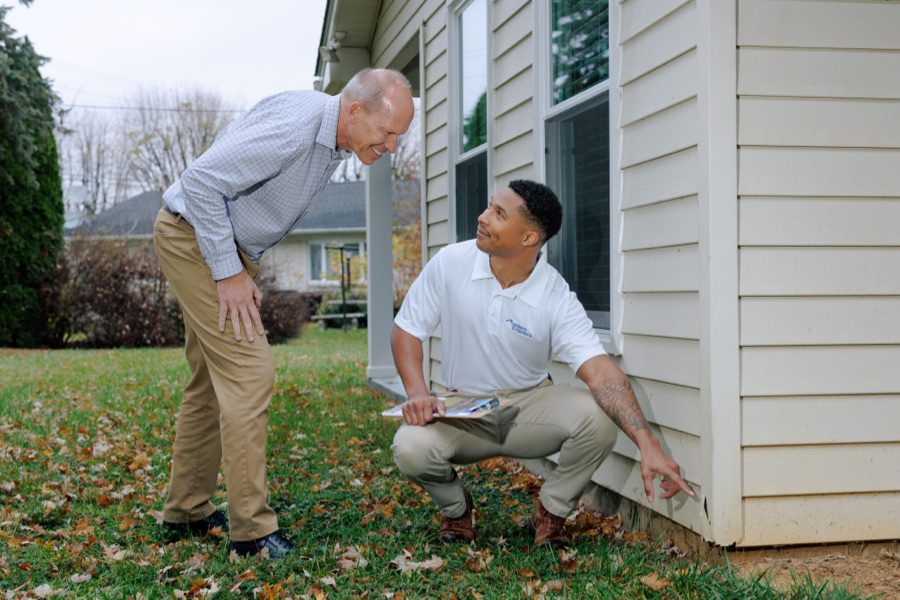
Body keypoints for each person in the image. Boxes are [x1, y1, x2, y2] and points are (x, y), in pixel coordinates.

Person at [153, 68, 415, 559]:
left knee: (211, 379)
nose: (392, 147)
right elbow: (202, 181)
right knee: (251, 374)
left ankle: (186, 508)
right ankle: (251, 532)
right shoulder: (298, 126)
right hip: (196, 239)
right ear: (355, 110)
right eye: (388, 133)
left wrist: (237, 263)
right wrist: (229, 273)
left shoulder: (334, 136)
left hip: (217, 245)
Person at [390, 180, 693, 548]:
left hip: (526, 407)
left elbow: (600, 371)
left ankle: (550, 511)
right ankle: (456, 511)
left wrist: (647, 444)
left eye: (498, 214)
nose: (482, 217)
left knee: (598, 420)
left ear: (529, 238)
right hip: (461, 408)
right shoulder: (451, 262)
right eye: (489, 207)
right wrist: (419, 394)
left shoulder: (555, 296)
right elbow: (406, 331)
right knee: (409, 446)